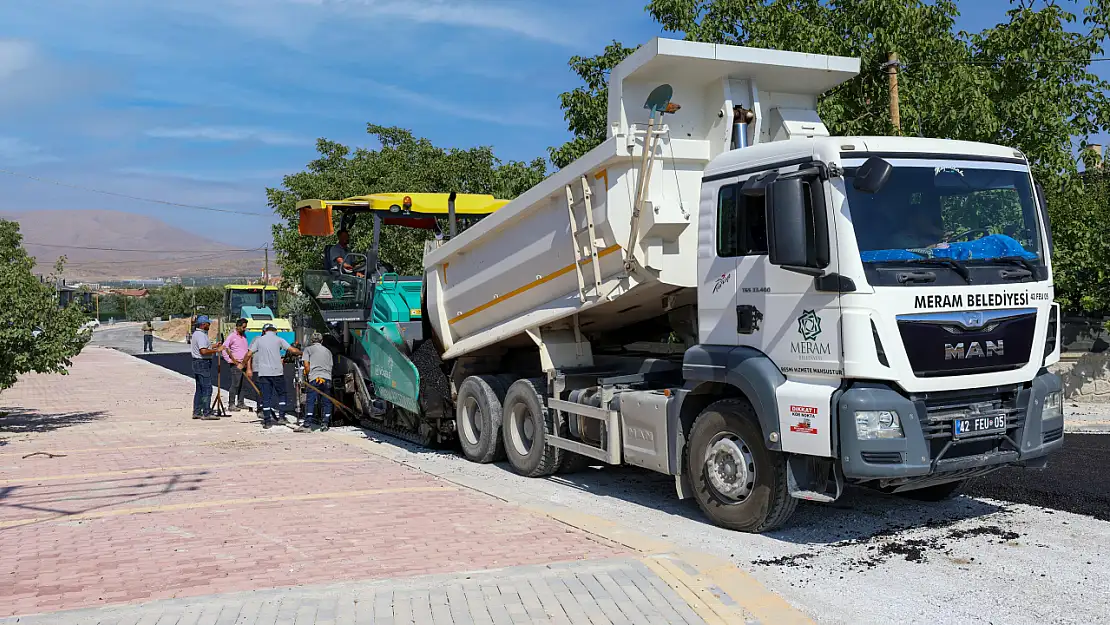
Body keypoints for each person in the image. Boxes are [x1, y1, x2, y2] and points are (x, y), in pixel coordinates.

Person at [244, 323, 301, 429]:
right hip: (277, 373)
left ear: (265, 331)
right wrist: (302, 353)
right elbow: (293, 350)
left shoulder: (259, 340)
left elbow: (248, 354)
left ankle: (267, 421)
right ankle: (282, 417)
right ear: (274, 331)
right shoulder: (278, 339)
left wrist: (242, 364)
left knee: (266, 397)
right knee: (282, 394)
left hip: (264, 373)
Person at [296, 332, 334, 432]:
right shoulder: (328, 351)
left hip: (315, 378)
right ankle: (325, 423)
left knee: (310, 401)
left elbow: (306, 365)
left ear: (311, 341)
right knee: (326, 402)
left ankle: (307, 425)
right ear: (322, 341)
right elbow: (331, 366)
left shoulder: (308, 349)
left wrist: (308, 376)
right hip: (327, 379)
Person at [190, 315, 223, 420]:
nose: (209, 325)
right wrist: (216, 350)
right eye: (208, 323)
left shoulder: (198, 334)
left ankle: (197, 411)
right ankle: (206, 412)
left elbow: (205, 347)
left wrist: (214, 346)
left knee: (200, 389)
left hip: (197, 363)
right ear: (203, 324)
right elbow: (203, 351)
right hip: (202, 363)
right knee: (207, 388)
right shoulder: (200, 335)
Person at [222, 318, 250, 412]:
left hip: (244, 363)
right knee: (235, 384)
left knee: (243, 385)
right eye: (243, 327)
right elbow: (224, 348)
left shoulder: (244, 336)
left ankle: (241, 402)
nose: (244, 329)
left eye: (245, 327)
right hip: (236, 364)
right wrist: (230, 361)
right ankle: (231, 404)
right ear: (238, 326)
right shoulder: (232, 336)